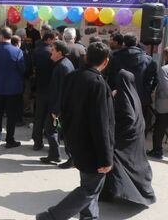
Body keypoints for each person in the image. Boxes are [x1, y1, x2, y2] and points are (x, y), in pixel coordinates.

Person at [36, 42, 115, 220]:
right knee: (89, 188)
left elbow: (65, 109)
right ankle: (51, 216)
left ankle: (89, 218)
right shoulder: (97, 83)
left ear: (86, 57)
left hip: (76, 141)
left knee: (88, 184)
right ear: (106, 62)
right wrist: (106, 157)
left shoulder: (74, 76)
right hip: (92, 147)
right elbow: (100, 123)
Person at [101, 69, 156, 206]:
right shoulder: (132, 94)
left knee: (114, 160)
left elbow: (128, 118)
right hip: (134, 136)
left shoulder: (123, 97)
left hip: (125, 137)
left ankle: (108, 192)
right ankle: (109, 191)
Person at [108, 33, 157, 135]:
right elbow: (153, 80)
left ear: (124, 43)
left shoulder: (115, 57)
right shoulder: (148, 59)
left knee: (119, 126)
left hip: (120, 97)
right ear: (136, 43)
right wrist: (146, 92)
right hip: (140, 98)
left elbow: (111, 78)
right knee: (139, 127)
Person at [39, 41, 74, 165]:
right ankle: (55, 155)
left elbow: (61, 91)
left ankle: (70, 158)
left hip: (59, 107)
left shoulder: (63, 67)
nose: (50, 52)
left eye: (53, 50)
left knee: (55, 130)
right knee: (52, 130)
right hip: (59, 105)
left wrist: (56, 110)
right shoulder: (63, 64)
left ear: (59, 52)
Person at [0, 26, 24, 147]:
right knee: (11, 116)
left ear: (1, 36)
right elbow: (22, 69)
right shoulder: (17, 51)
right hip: (13, 88)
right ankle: (9, 139)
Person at [32, 31, 56, 151]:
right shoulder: (51, 53)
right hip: (50, 87)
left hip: (40, 86)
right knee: (51, 117)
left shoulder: (36, 50)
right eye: (53, 40)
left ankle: (37, 142)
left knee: (39, 116)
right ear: (49, 39)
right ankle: (51, 143)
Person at [148, 47, 168, 159]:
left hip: (164, 105)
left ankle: (157, 151)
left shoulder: (164, 69)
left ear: (166, 56)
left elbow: (165, 88)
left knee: (159, 129)